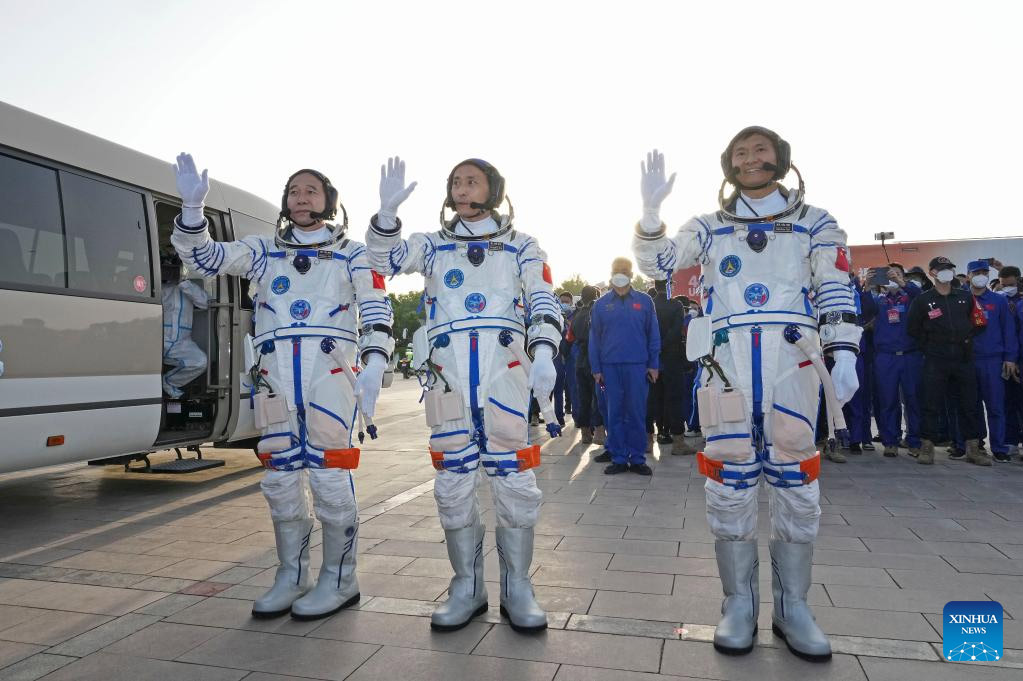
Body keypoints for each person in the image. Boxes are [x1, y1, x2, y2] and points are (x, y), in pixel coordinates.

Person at [632, 127, 861, 662]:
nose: (750, 159)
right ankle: (737, 603)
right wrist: (649, 215)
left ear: (780, 160)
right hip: (727, 363)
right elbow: (660, 264)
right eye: (740, 152)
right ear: (727, 165)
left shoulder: (815, 223)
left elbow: (834, 287)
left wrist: (844, 351)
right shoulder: (709, 227)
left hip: (793, 361)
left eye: (760, 150)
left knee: (795, 476)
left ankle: (793, 606)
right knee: (730, 476)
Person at [171, 155, 394, 620]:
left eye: (311, 190)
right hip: (274, 375)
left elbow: (375, 309)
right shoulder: (262, 249)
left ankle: (340, 579)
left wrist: (374, 362)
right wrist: (193, 213)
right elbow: (206, 259)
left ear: (329, 202)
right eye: (294, 190)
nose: (301, 196)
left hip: (329, 373)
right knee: (280, 477)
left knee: (330, 476)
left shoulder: (353, 253)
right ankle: (291, 576)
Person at [364, 156, 559, 633]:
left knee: (513, 481)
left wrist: (546, 349)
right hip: (449, 377)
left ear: (494, 189)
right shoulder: (432, 246)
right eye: (456, 182)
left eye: (472, 181)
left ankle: (518, 588)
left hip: (505, 374)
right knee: (453, 484)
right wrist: (387, 216)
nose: (462, 188)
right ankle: (466, 587)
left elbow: (541, 296)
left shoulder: (520, 245)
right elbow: (383, 261)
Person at [907, 256, 987, 465]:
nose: (947, 273)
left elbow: (980, 322)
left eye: (950, 269)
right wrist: (930, 345)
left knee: (969, 404)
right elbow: (913, 329)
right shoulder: (923, 300)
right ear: (932, 273)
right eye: (942, 269)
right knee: (931, 403)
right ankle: (927, 447)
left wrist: (967, 339)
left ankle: (973, 448)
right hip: (936, 359)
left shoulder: (965, 297)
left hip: (963, 358)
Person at [589, 258, 660, 475]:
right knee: (614, 414)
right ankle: (619, 458)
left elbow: (653, 334)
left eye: (624, 270)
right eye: (616, 270)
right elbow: (594, 338)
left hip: (638, 367)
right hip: (609, 368)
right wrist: (596, 368)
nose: (620, 273)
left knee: (637, 413)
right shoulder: (600, 304)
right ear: (611, 273)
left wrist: (653, 364)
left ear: (630, 273)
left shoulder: (645, 301)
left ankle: (637, 458)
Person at [961, 260, 1018, 462]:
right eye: (977, 272)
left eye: (985, 272)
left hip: (992, 360)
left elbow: (1008, 331)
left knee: (996, 406)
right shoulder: (960, 299)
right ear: (968, 275)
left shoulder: (999, 300)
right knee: (970, 406)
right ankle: (975, 445)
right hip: (967, 360)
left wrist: (1010, 358)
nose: (981, 275)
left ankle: (999, 447)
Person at [869, 264, 923, 457]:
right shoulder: (879, 301)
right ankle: (890, 441)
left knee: (913, 399)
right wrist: (866, 286)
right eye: (889, 275)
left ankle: (915, 441)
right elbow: (864, 308)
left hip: (910, 355)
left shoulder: (911, 299)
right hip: (885, 357)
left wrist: (902, 283)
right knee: (887, 401)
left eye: (897, 275)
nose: (892, 278)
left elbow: (922, 296)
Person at [647, 278, 694, 455]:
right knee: (675, 400)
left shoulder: (648, 304)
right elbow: (675, 332)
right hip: (672, 358)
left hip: (652, 359)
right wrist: (663, 345)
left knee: (651, 400)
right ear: (670, 286)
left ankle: (648, 441)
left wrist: (654, 347)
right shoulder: (676, 305)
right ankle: (678, 443)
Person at [160, 252, 209, 399]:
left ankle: (169, 382)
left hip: (182, 343)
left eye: (175, 267)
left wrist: (183, 282)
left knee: (200, 361)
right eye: (167, 267)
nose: (171, 270)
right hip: (157, 340)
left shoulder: (189, 288)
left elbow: (205, 303)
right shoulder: (158, 288)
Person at [567, 285, 603, 444]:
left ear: (581, 298)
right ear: (596, 296)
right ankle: (600, 434)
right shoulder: (597, 313)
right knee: (598, 397)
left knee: (583, 398)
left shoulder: (576, 316)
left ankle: (585, 434)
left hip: (579, 360)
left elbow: (569, 339)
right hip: (594, 360)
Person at [999, 265, 1023, 456]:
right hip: (1008, 359)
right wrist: (1010, 358)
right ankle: (1010, 440)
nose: (1007, 288)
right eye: (1004, 285)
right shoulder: (999, 301)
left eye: (1011, 284)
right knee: (1008, 401)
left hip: (1018, 357)